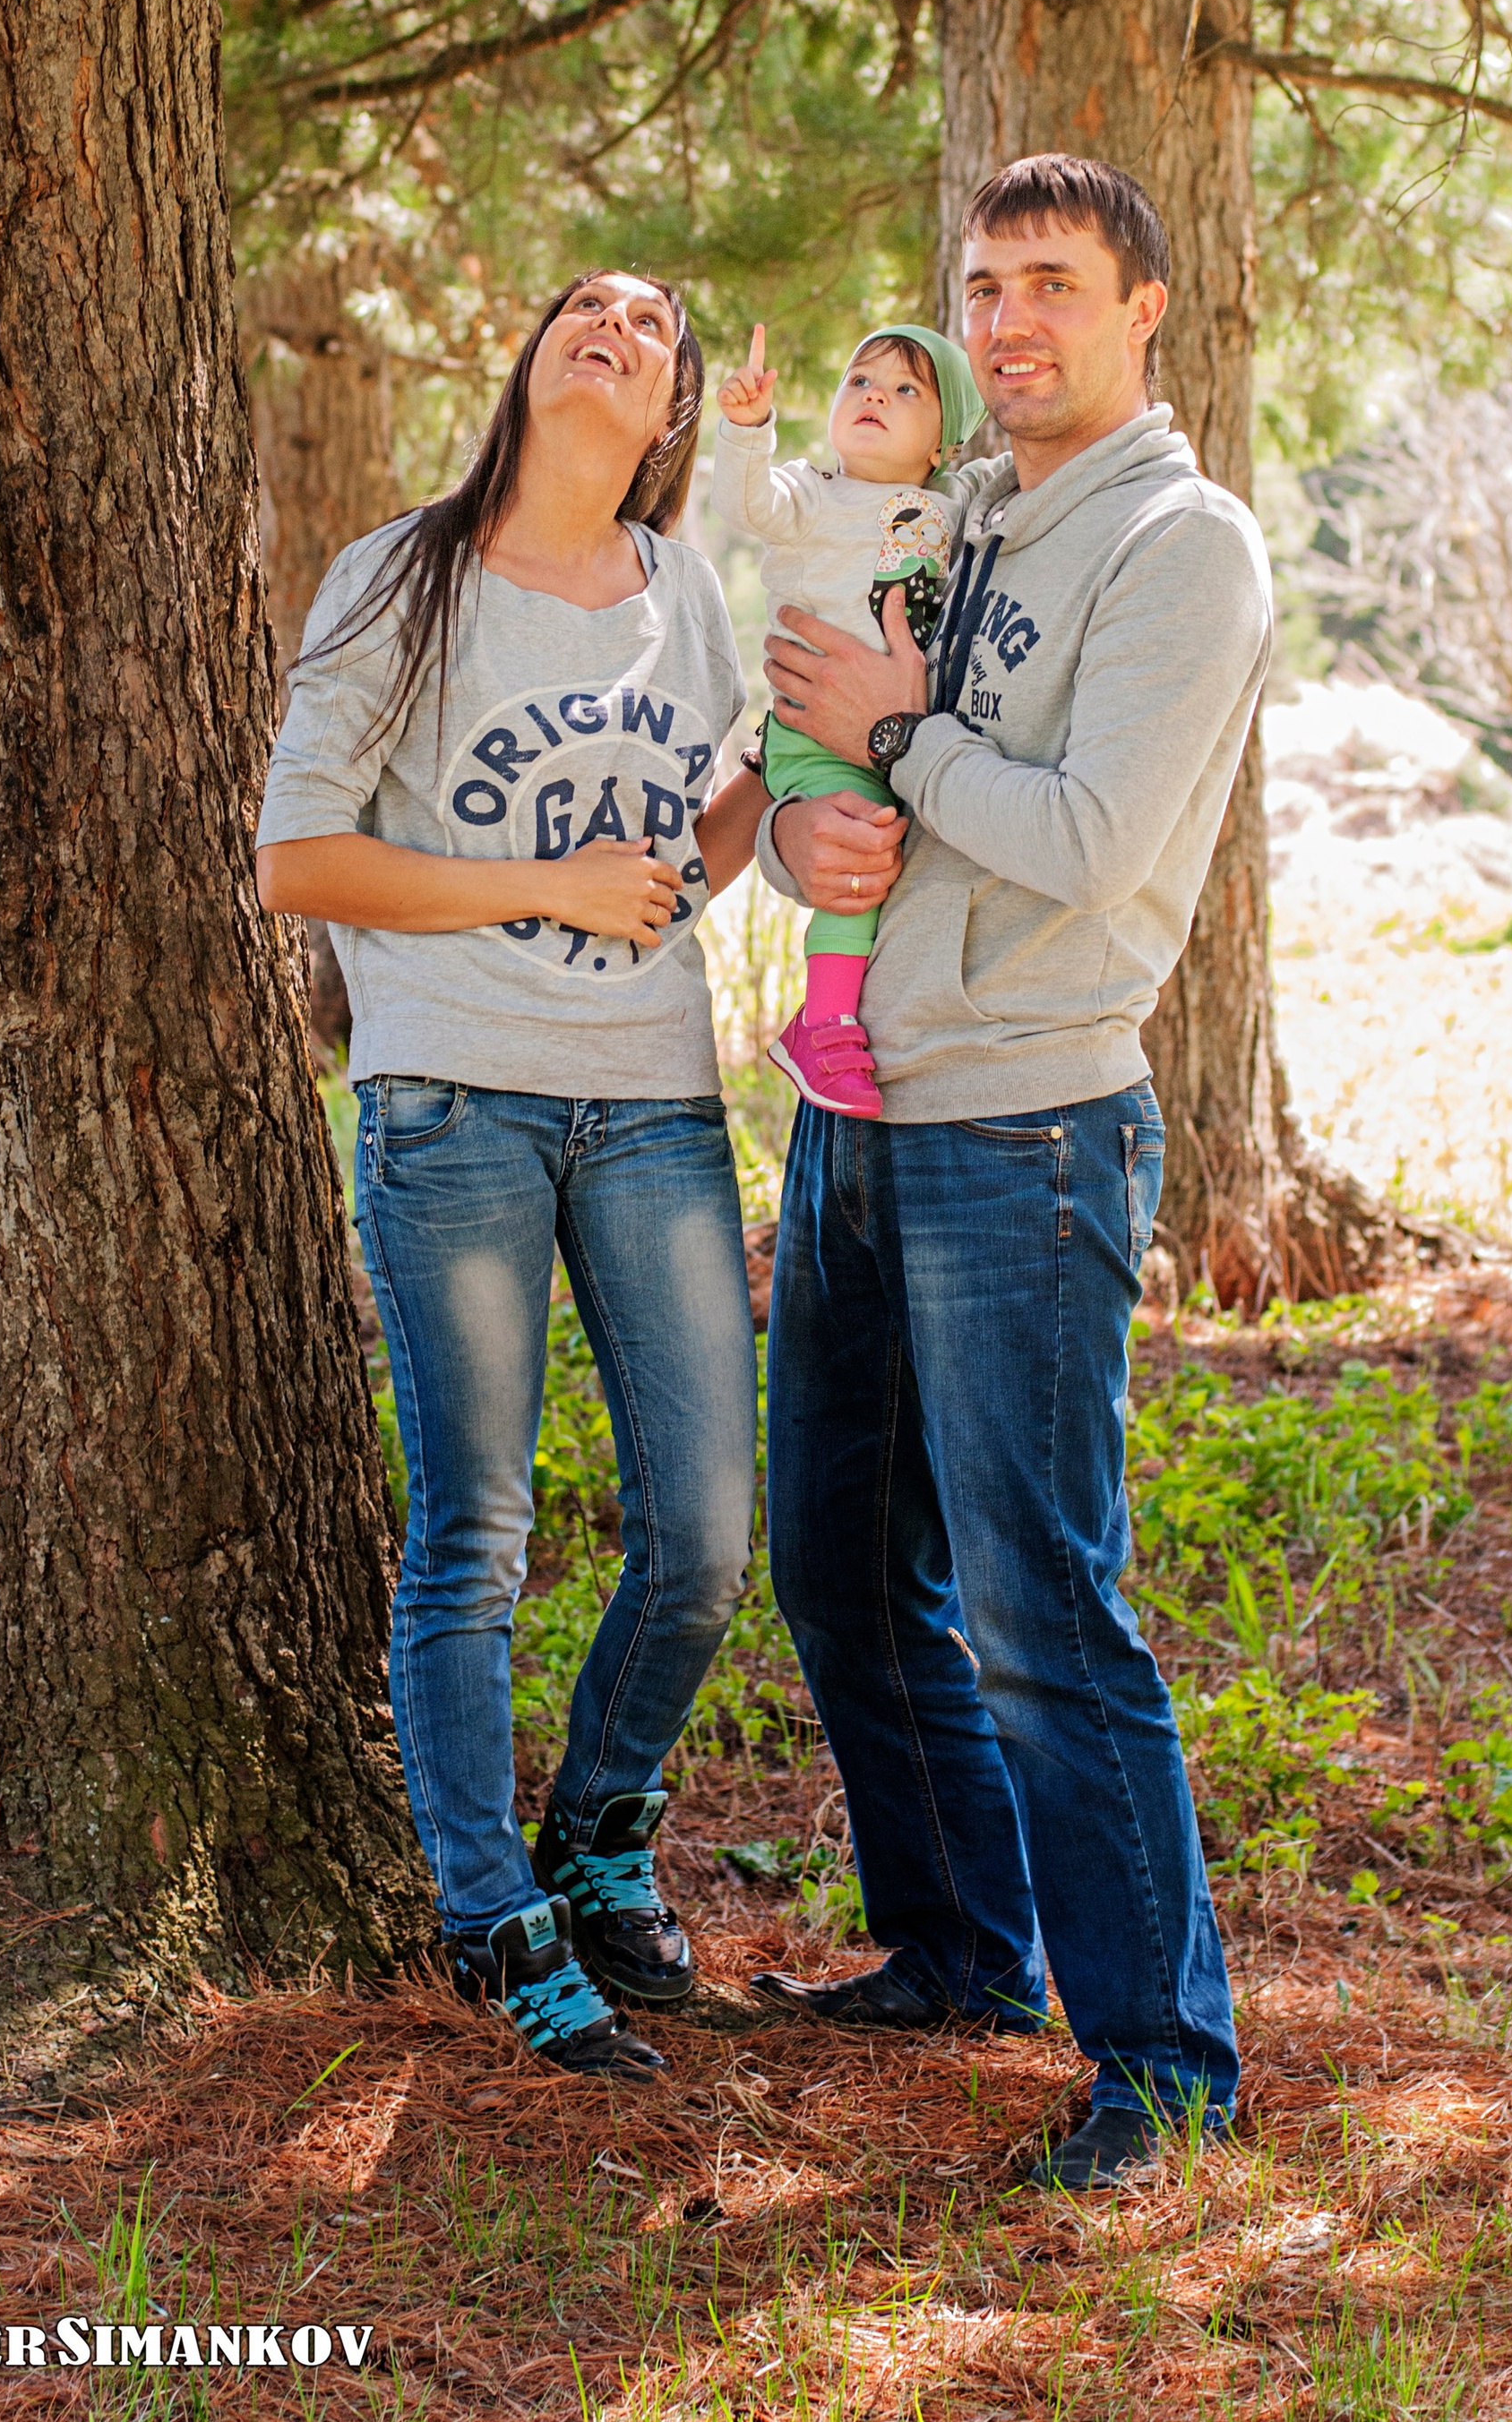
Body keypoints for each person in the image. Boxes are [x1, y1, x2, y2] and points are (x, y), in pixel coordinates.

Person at [253, 271, 903, 2078]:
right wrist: (540, 887)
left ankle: (599, 1831)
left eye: (655, 324)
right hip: (452, 1100)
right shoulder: (404, 574)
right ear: (532, 357)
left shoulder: (673, 585)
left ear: (675, 398)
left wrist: (710, 860)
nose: (618, 323)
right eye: (585, 307)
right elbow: (296, 855)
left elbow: (721, 793)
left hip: (647, 1100)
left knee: (700, 1531)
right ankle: (488, 1912)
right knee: (475, 1531)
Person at [752, 154, 1275, 2191]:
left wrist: (900, 735)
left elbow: (1089, 835)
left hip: (1028, 1121)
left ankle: (1159, 2066)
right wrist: (818, 823)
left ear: (1143, 308)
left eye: (1048, 282)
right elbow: (825, 757)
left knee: (1039, 1602)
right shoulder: (952, 513)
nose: (1003, 323)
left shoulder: (1181, 544)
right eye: (980, 286)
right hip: (860, 1101)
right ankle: (959, 1943)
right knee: (832, 1559)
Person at [710, 320, 985, 1118]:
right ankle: (822, 1023)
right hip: (816, 730)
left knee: (902, 847)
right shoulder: (810, 494)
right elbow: (744, 498)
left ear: (941, 444)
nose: (875, 397)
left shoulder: (951, 504)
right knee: (857, 845)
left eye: (906, 391)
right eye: (859, 381)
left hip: (903, 733)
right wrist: (748, 428)